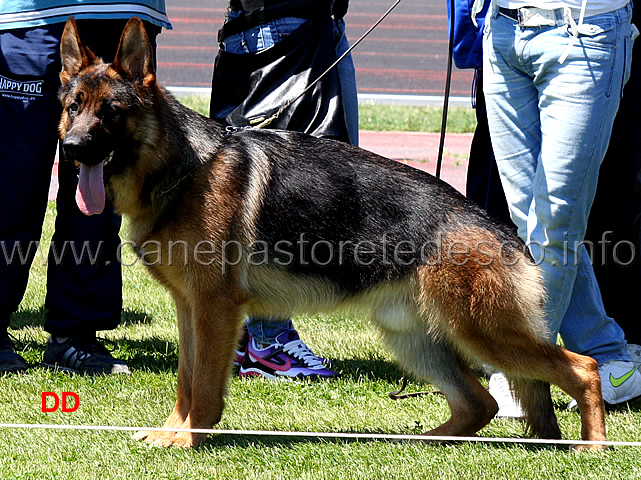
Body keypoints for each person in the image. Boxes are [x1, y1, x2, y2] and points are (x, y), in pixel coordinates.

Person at [482, 0, 641, 412]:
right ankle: (608, 357)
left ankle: (523, 368)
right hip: (503, 32)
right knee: (531, 222)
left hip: (586, 33)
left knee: (554, 223)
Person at [0, 1, 171, 374]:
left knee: (100, 199)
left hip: (125, 10)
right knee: (11, 187)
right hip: (32, 17)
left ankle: (75, 336)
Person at [210, 0, 358, 379]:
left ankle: (253, 338)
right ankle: (268, 340)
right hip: (286, 24)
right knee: (290, 192)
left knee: (259, 190)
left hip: (274, 24)